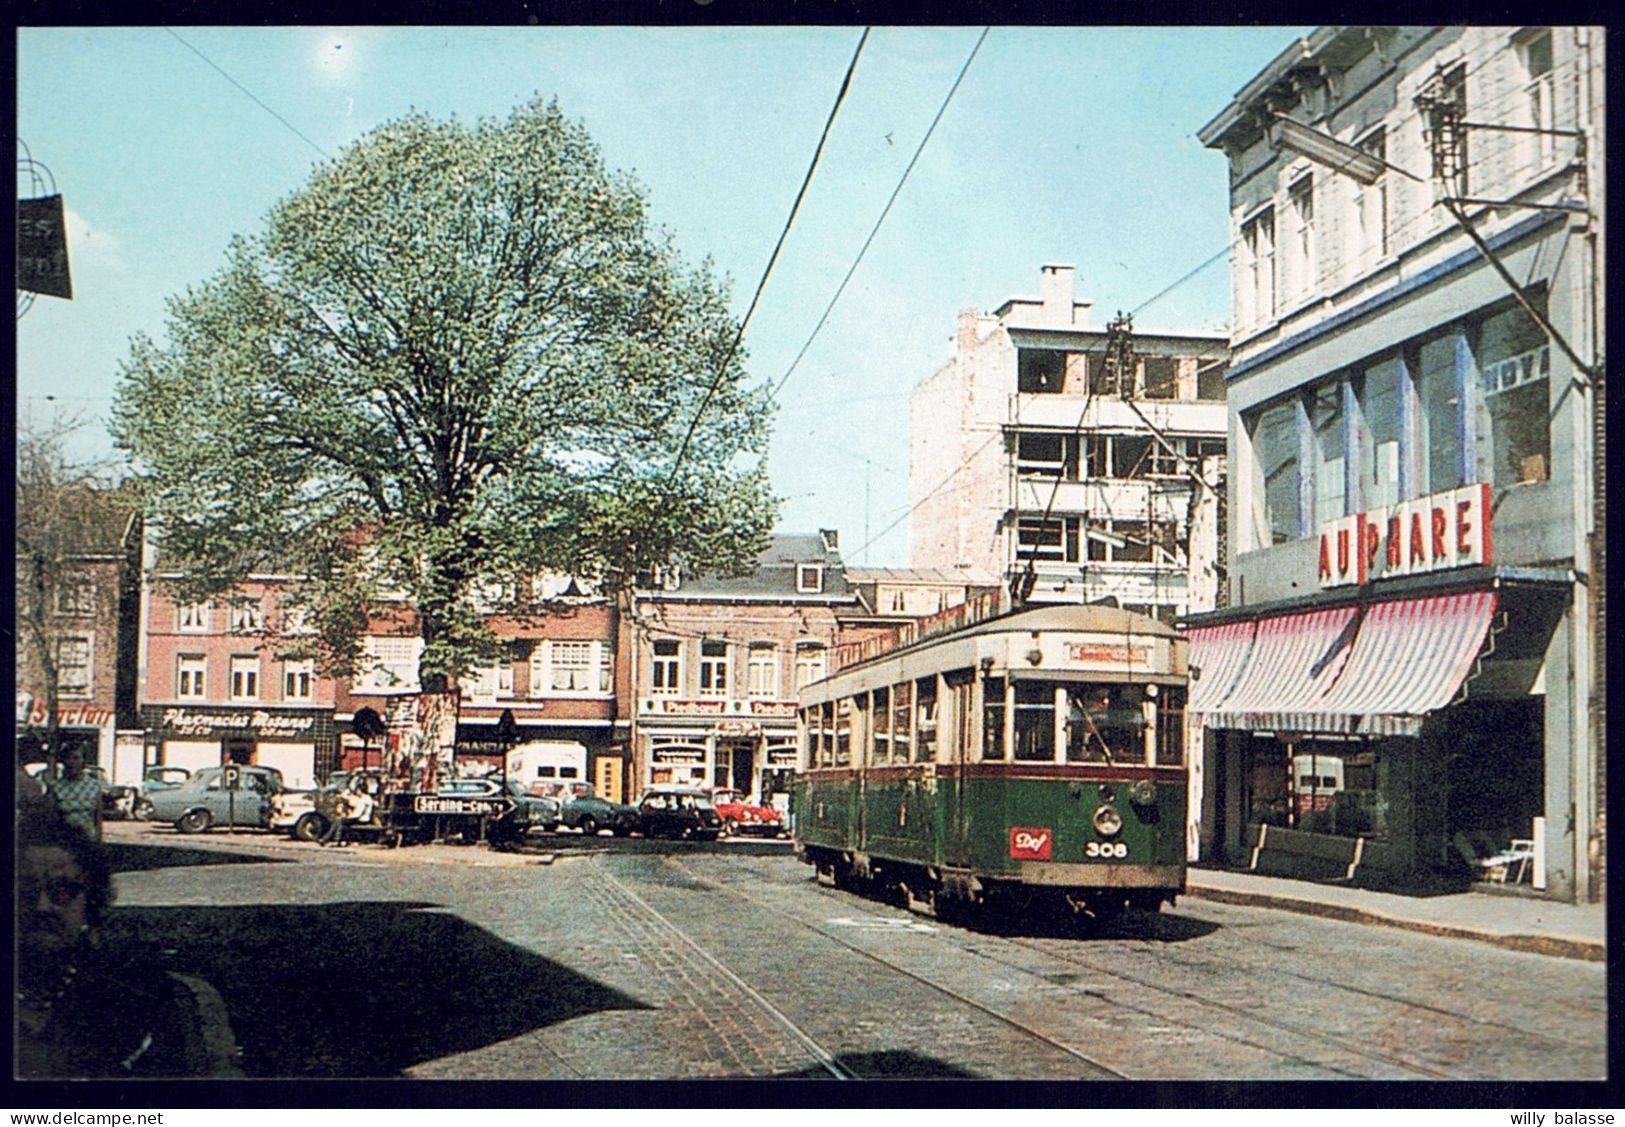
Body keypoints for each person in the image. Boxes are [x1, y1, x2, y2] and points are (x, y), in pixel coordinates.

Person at [16, 804, 242, 1078]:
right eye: (25, 892)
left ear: (90, 902)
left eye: (62, 893)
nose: (42, 907)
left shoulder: (132, 998)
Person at [43, 750, 104, 840]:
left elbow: (98, 817)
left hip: (88, 838)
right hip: (64, 839)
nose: (71, 762)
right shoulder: (55, 787)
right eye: (68, 758)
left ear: (83, 761)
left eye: (76, 758)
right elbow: (51, 816)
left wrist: (98, 838)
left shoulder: (94, 786)